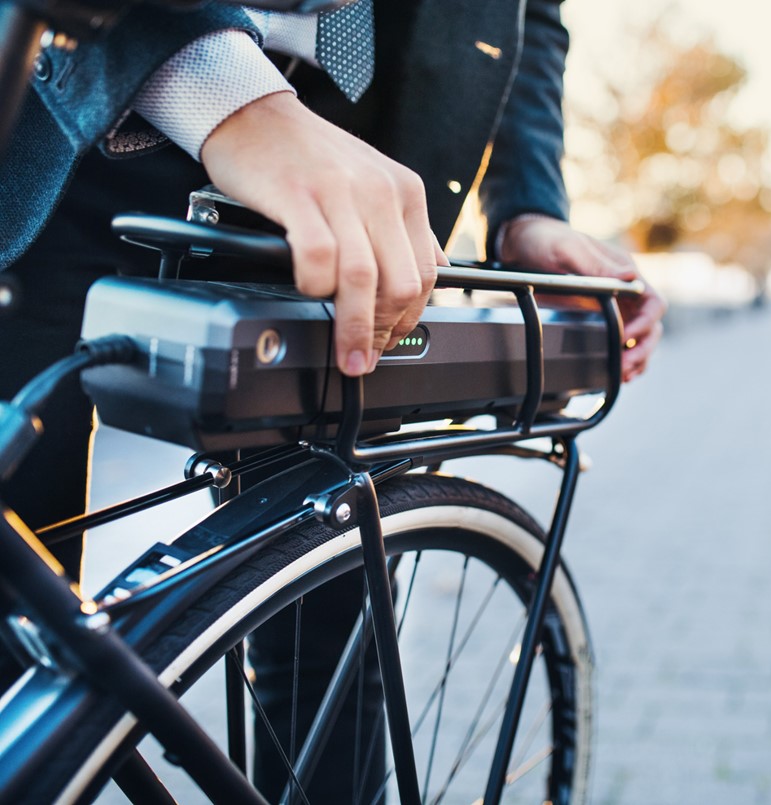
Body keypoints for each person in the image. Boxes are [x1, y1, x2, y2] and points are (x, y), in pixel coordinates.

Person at [0, 0, 665, 798]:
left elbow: (531, 13)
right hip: (81, 106)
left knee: (335, 622)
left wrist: (527, 205)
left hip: (361, 165)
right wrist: (221, 89)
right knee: (18, 611)